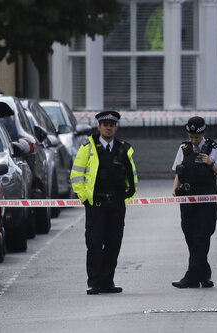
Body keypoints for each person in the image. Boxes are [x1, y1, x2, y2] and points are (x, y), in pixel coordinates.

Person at [70, 110, 138, 295]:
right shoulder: (88, 148)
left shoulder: (124, 148)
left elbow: (131, 176)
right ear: (99, 127)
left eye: (112, 125)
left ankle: (107, 281)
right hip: (96, 203)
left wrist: (127, 196)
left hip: (116, 203)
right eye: (105, 125)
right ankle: (94, 282)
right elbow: (76, 175)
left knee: (113, 242)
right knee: (94, 243)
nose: (109, 128)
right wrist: (85, 198)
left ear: (116, 127)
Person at [171, 116, 217, 288]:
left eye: (196, 137)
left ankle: (191, 277)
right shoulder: (184, 147)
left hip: (206, 198)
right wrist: (174, 190)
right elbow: (178, 172)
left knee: (202, 236)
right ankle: (203, 274)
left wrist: (211, 164)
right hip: (187, 198)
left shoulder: (214, 148)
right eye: (190, 136)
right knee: (190, 235)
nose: (193, 140)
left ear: (203, 133)